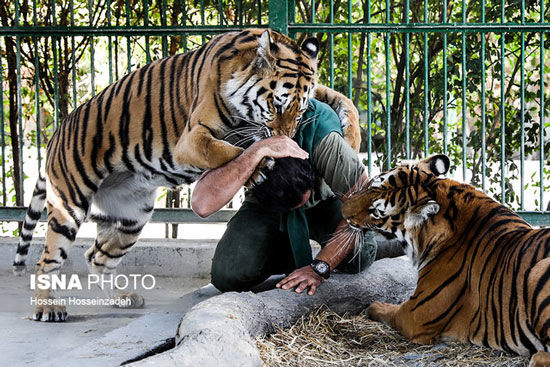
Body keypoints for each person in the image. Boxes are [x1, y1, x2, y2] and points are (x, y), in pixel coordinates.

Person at [191, 98, 377, 295]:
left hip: (324, 201)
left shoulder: (324, 136)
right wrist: (256, 151)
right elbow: (202, 205)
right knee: (228, 275)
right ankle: (279, 249)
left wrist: (322, 266)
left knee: (360, 255)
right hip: (265, 206)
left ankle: (305, 246)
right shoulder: (239, 128)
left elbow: (364, 204)